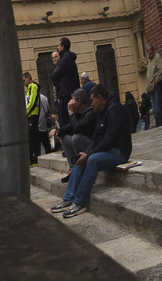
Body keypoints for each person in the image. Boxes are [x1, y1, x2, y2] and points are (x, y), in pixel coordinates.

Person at [52, 85, 132, 218]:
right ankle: (68, 198)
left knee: (92, 159)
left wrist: (89, 154)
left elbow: (108, 140)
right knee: (81, 158)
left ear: (100, 98)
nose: (91, 103)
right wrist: (86, 153)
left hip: (119, 151)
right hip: (107, 149)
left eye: (93, 100)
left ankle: (79, 202)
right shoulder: (100, 111)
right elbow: (95, 138)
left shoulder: (115, 109)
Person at [50, 89, 96, 183]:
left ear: (78, 102)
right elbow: (70, 126)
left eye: (73, 100)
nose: (70, 102)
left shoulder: (90, 112)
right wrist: (58, 131)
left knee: (76, 137)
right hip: (84, 144)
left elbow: (77, 128)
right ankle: (74, 169)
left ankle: (81, 168)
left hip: (92, 146)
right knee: (64, 138)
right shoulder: (79, 114)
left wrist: (70, 112)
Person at [50, 37, 80, 134]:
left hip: (65, 94)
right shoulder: (69, 59)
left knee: (65, 121)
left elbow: (54, 77)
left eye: (59, 45)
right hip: (68, 92)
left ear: (63, 46)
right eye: (53, 58)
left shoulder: (65, 59)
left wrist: (56, 80)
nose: (58, 48)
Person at [146, 43, 162, 128]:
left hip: (156, 85)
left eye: (150, 49)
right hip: (150, 87)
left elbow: (160, 69)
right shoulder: (149, 60)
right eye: (148, 50)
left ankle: (161, 124)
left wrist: (157, 81)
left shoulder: (157, 56)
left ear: (153, 49)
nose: (149, 51)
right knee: (154, 109)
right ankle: (158, 125)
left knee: (158, 108)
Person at [24, 72, 41, 166]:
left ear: (28, 78)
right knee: (33, 137)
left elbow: (32, 102)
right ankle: (34, 158)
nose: (23, 82)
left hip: (33, 115)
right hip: (30, 115)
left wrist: (26, 113)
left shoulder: (33, 86)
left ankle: (34, 159)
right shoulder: (29, 88)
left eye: (24, 80)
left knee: (31, 137)